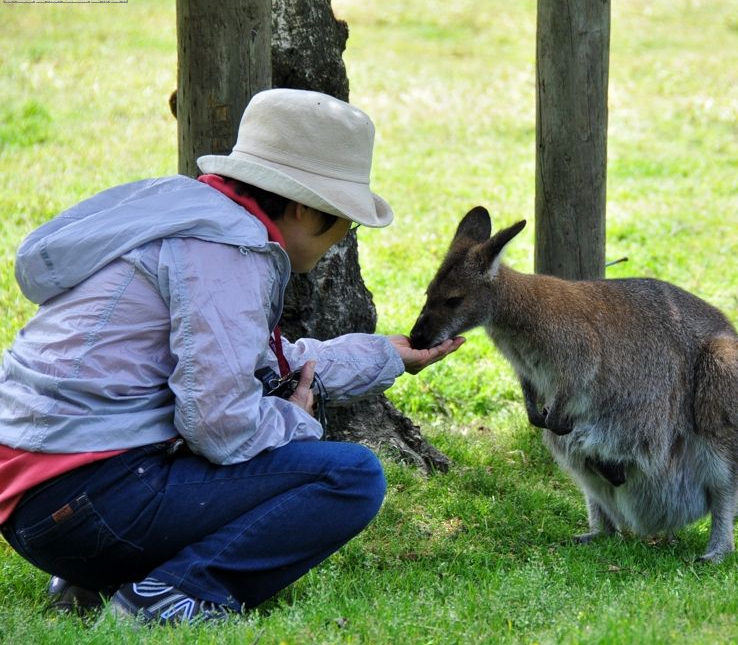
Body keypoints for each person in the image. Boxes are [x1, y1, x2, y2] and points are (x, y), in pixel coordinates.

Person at [0, 88, 464, 625]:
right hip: (87, 503)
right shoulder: (226, 253)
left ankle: (91, 582)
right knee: (350, 476)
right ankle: (169, 597)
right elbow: (219, 424)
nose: (341, 239)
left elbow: (258, 363)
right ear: (300, 206)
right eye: (345, 222)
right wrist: (295, 422)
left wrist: (385, 356)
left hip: (39, 501)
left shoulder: (191, 222)